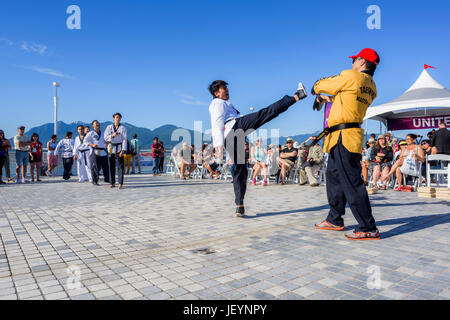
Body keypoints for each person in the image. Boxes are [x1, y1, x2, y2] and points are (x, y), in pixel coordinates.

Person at [209, 80, 307, 217]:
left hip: (234, 135)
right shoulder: (217, 103)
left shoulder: (224, 103)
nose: (227, 90)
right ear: (216, 93)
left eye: (226, 87)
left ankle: (239, 205)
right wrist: (218, 147)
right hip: (234, 129)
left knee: (240, 170)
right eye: (223, 88)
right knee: (265, 114)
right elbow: (216, 123)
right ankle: (297, 96)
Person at [312, 48, 381, 240]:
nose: (351, 63)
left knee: (352, 181)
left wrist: (316, 87)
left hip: (343, 136)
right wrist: (331, 98)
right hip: (346, 135)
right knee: (334, 178)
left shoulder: (351, 76)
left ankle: (368, 226)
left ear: (361, 62)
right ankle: (335, 218)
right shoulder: (371, 86)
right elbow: (348, 97)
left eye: (354, 60)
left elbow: (325, 84)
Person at [105, 113, 127, 189]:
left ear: (120, 119)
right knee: (111, 166)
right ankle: (112, 182)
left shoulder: (123, 128)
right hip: (111, 148)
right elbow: (105, 138)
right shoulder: (109, 127)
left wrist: (123, 150)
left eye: (119, 117)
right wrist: (112, 135)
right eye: (116, 117)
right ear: (113, 118)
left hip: (119, 148)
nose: (118, 119)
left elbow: (124, 139)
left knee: (120, 167)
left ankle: (120, 183)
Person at [85, 120, 110, 185]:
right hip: (95, 151)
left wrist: (107, 142)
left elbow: (106, 140)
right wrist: (92, 145)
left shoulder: (103, 133)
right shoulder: (91, 133)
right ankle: (95, 180)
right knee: (95, 167)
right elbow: (85, 141)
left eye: (98, 123)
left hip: (103, 151)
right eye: (96, 123)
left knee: (105, 166)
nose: (97, 124)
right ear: (93, 125)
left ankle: (107, 179)